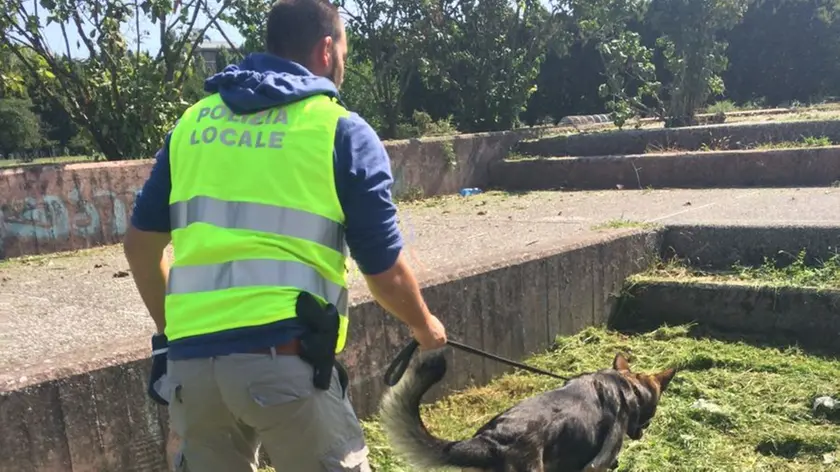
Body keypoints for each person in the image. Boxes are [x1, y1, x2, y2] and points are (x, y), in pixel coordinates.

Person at [122, 0, 448, 470]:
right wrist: (424, 326)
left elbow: (139, 246)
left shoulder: (192, 124)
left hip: (192, 371)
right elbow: (385, 272)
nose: (342, 67)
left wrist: (175, 335)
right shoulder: (340, 130)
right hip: (285, 360)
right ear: (326, 49)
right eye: (345, 56)